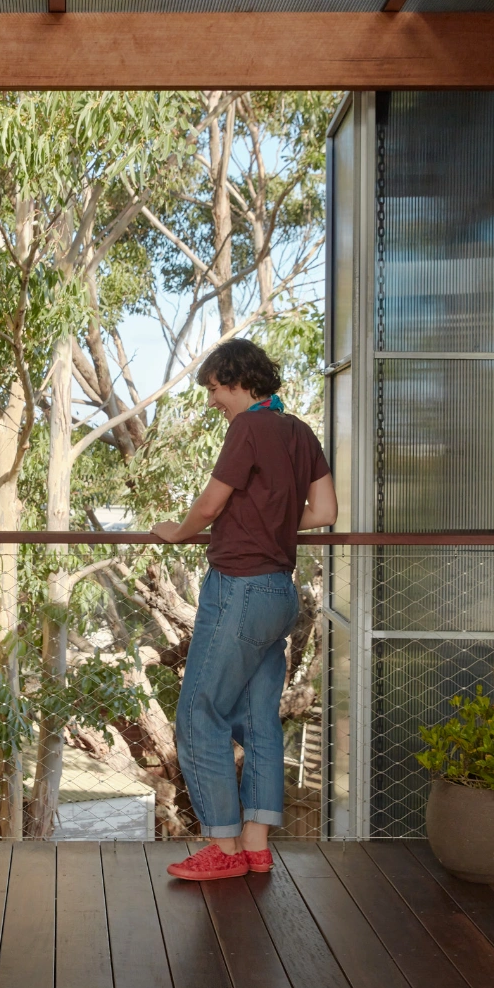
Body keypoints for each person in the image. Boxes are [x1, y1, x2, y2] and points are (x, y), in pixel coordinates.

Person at [151, 339, 336, 880]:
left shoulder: (248, 428)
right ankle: (255, 846)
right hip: (281, 591)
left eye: (213, 388)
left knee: (197, 714)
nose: (212, 401)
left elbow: (209, 504)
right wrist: (273, 525)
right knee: (258, 721)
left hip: (239, 588)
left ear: (238, 380)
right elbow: (324, 511)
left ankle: (224, 849)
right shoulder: (300, 432)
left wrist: (176, 532)